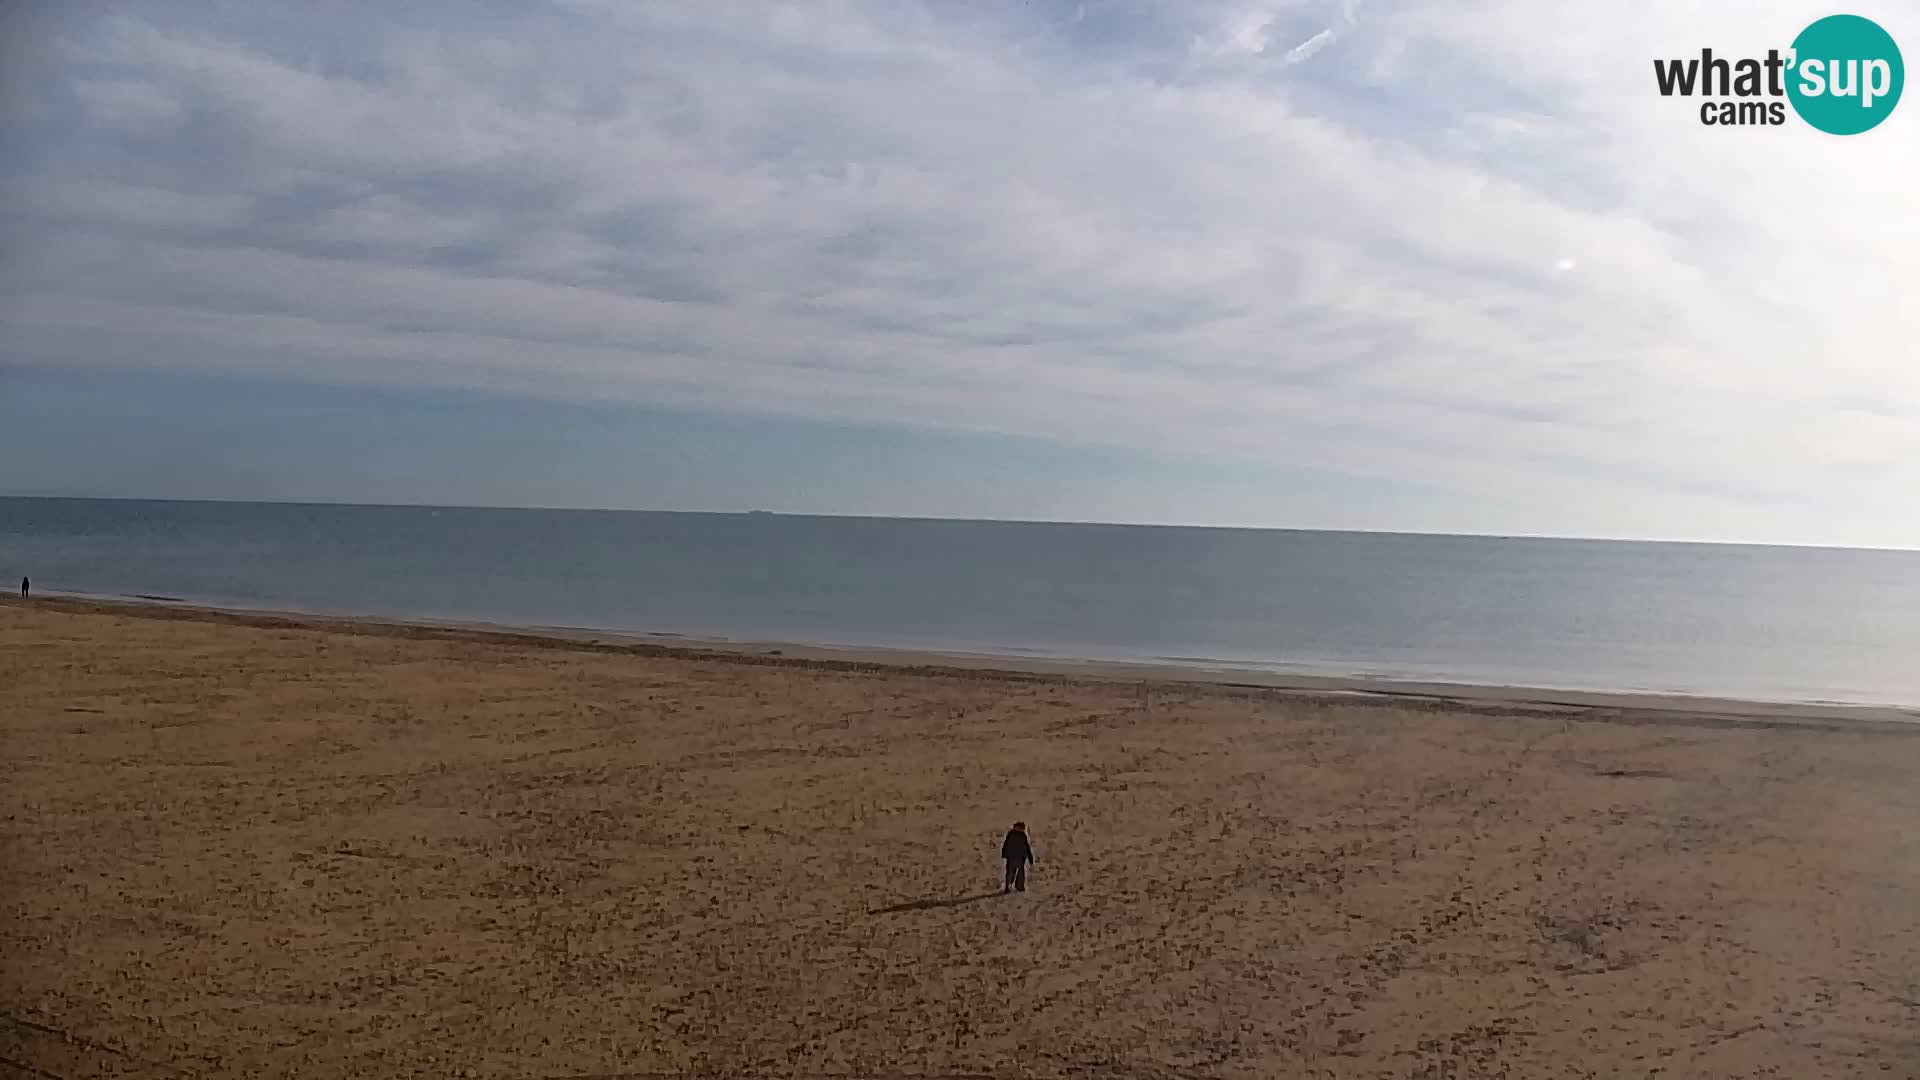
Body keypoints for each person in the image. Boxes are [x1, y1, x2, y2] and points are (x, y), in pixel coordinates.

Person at [1001, 821, 1036, 893]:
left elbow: (1005, 845)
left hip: (1013, 856)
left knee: (1011, 872)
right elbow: (1027, 848)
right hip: (1018, 857)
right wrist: (1030, 859)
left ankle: (1010, 885)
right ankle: (1017, 886)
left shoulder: (1011, 833)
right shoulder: (1021, 835)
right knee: (1018, 872)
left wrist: (1004, 854)